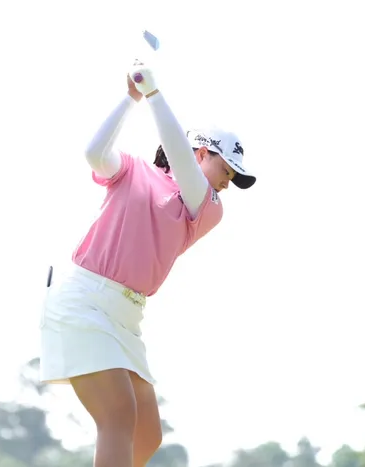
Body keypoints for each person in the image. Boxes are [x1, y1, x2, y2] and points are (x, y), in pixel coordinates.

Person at [39, 61, 256, 467]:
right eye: (225, 170)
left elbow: (184, 166)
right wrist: (132, 98)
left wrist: (155, 95)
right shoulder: (133, 170)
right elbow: (94, 153)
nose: (227, 182)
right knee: (119, 416)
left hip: (127, 318)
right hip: (84, 298)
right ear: (202, 153)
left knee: (147, 435)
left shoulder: (208, 206)